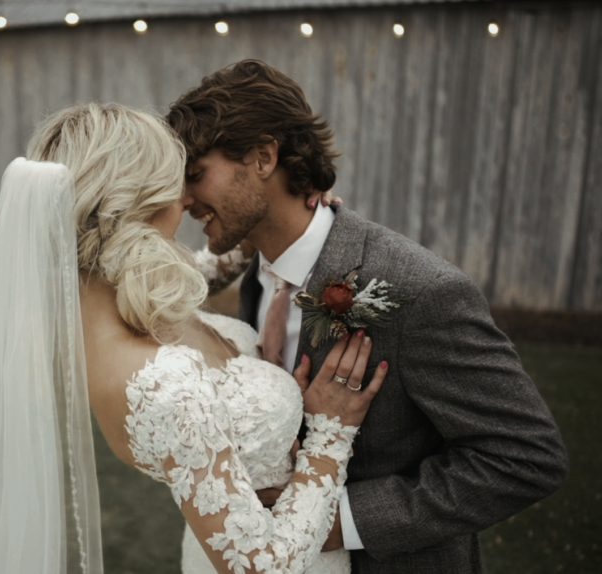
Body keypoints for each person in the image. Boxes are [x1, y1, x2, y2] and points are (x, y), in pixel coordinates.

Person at [166, 59, 569, 574]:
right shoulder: (255, 272)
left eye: (196, 175)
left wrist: (343, 521)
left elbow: (527, 457)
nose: (183, 199)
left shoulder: (421, 291)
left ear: (264, 156)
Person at [0, 102, 389, 574]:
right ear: (135, 204)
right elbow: (262, 567)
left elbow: (189, 279)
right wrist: (330, 434)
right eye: (173, 183)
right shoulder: (163, 384)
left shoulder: (99, 297)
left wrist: (256, 233)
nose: (185, 200)